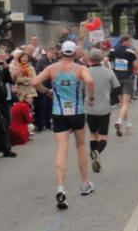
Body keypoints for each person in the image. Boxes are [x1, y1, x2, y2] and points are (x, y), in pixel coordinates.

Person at [32, 40, 96, 208]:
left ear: (61, 53)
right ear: (75, 54)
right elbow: (89, 81)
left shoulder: (53, 69)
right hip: (76, 112)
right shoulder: (80, 69)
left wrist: (47, 91)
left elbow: (34, 82)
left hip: (59, 112)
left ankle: (60, 187)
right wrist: (91, 98)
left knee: (61, 149)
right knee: (81, 146)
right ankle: (84, 183)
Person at [85, 48, 120, 173]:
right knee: (103, 136)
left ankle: (94, 153)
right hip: (104, 108)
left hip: (89, 107)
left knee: (93, 134)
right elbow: (117, 87)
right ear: (101, 59)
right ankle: (97, 153)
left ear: (89, 59)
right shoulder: (108, 72)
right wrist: (110, 96)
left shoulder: (85, 72)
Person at [109, 35, 138, 137]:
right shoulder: (130, 52)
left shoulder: (113, 50)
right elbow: (136, 65)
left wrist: (110, 70)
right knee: (126, 104)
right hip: (127, 78)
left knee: (122, 103)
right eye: (129, 41)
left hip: (116, 78)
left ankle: (127, 123)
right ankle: (119, 122)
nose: (131, 43)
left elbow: (105, 60)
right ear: (124, 42)